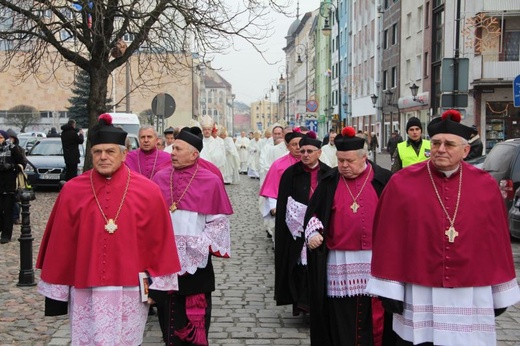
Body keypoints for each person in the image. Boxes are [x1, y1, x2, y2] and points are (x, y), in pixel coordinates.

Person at [366, 109, 520, 346]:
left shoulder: (485, 186)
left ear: (466, 151)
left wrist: (500, 293)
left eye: (449, 144)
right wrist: (389, 289)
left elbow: (497, 242)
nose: (440, 149)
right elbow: (388, 238)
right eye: (436, 143)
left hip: (470, 290)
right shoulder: (402, 183)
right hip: (418, 287)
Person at [36, 114, 181, 345]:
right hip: (85, 288)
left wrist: (159, 288)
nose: (103, 157)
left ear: (124, 154)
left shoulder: (148, 191)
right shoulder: (72, 190)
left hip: (130, 288)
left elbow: (160, 240)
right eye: (97, 152)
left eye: (110, 151)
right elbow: (60, 244)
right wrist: (57, 294)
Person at [303, 126, 393, 346]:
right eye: (340, 160)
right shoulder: (329, 181)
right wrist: (313, 231)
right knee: (340, 314)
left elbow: (398, 216)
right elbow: (313, 213)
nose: (343, 165)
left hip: (376, 259)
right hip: (340, 261)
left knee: (376, 314)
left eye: (349, 161)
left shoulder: (384, 180)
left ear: (364, 158)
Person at [152, 128, 233, 345]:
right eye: (172, 149)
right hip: (164, 258)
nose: (173, 153)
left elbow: (218, 223)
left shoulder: (210, 180)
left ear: (194, 154)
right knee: (167, 311)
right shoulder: (160, 178)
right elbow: (150, 219)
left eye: (178, 149)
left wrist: (198, 246)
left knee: (193, 316)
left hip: (196, 261)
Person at [274, 134, 331, 317]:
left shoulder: (329, 174)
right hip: (295, 229)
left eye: (310, 151)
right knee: (300, 268)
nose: (305, 154)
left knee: (318, 267)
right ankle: (302, 305)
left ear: (319, 152)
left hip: (320, 228)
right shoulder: (291, 174)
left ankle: (315, 305)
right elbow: (283, 203)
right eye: (303, 151)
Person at [259, 130, 303, 241]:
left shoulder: (309, 162)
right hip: (284, 208)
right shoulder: (278, 165)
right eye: (294, 145)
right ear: (287, 147)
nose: (298, 147)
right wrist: (274, 208)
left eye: (300, 144)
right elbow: (271, 189)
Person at [0, 130, 26, 244]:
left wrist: (11, 167)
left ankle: (6, 234)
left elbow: (22, 164)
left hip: (9, 184)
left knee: (7, 210)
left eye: (0, 138)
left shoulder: (12, 148)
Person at [6, 129, 27, 225]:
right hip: (4, 177)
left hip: (15, 177)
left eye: (11, 138)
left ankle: (15, 217)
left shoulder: (18, 149)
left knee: (15, 198)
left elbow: (23, 162)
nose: (9, 140)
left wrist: (15, 168)